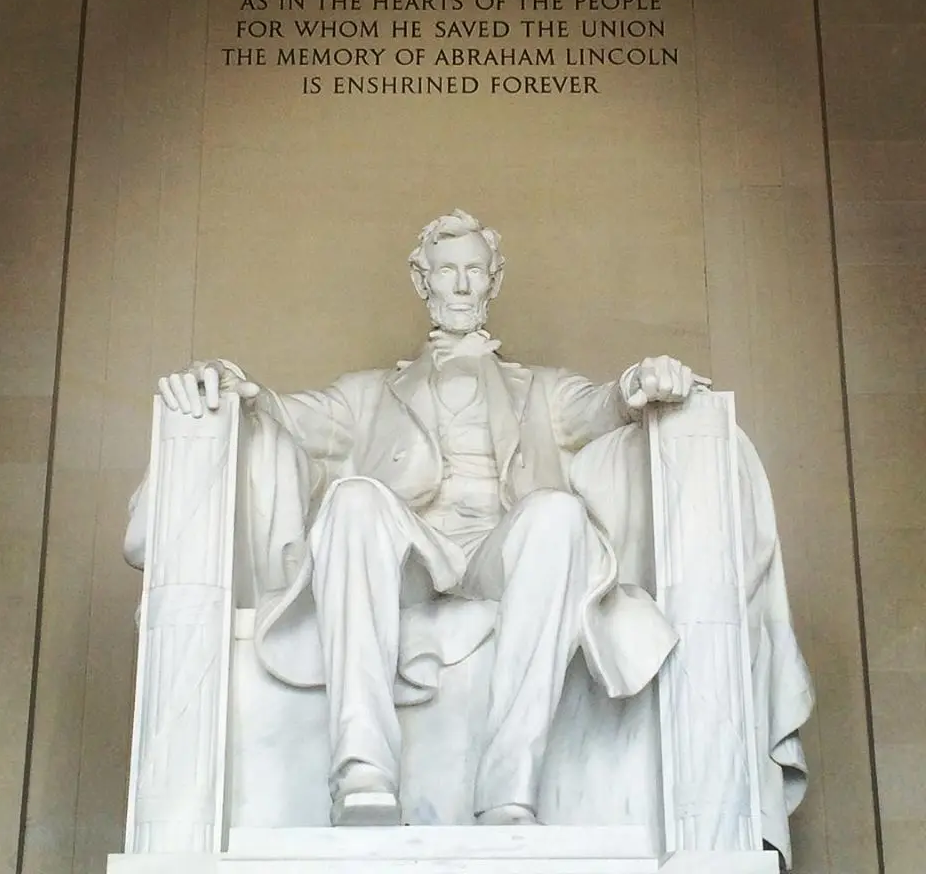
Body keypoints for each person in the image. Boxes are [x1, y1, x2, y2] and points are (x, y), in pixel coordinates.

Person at [157, 209, 703, 827]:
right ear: (424, 283)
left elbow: (605, 406)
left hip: (502, 554)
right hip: (413, 557)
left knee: (558, 513)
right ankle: (362, 772)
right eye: (448, 272)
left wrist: (640, 379)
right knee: (353, 498)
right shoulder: (368, 394)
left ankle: (509, 790)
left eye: (476, 271)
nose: (463, 286)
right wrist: (230, 385)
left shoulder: (543, 390)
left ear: (495, 281)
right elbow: (281, 414)